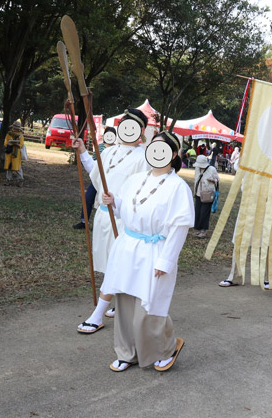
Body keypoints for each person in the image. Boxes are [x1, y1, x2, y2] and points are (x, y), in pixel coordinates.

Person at [98, 131, 193, 372]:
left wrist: (166, 260)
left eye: (162, 149)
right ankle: (127, 352)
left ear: (173, 154)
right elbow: (129, 209)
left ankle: (166, 347)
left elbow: (179, 227)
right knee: (124, 303)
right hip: (127, 248)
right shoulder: (136, 179)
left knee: (148, 307)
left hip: (155, 250)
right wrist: (114, 202)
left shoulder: (177, 187)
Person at [74, 108, 150, 333]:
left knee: (118, 263)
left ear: (141, 131)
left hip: (123, 219)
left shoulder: (142, 157)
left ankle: (98, 314)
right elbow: (95, 173)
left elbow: (141, 191)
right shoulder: (108, 151)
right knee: (109, 263)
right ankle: (121, 301)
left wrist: (119, 202)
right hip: (102, 216)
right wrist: (81, 152)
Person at [73, 127, 117, 230]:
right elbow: (93, 166)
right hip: (97, 179)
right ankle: (84, 221)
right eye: (108, 134)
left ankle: (103, 224)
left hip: (109, 180)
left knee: (104, 202)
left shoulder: (117, 149)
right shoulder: (99, 147)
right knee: (88, 198)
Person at [193, 154, 219, 239]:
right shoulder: (197, 168)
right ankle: (198, 229)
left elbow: (217, 180)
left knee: (204, 213)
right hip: (198, 193)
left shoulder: (212, 169)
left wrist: (212, 180)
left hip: (208, 194)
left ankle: (203, 231)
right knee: (197, 211)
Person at [3, 120, 25, 186]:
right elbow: (5, 143)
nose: (14, 129)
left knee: (18, 168)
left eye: (16, 128)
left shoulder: (21, 136)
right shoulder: (9, 134)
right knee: (9, 167)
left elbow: (21, 145)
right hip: (9, 152)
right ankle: (8, 180)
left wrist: (16, 144)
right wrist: (9, 143)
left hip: (16, 154)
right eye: (14, 128)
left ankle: (20, 181)